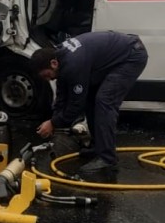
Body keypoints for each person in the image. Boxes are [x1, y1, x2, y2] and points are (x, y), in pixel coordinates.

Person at [33, 31, 149, 181]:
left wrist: (53, 123)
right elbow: (62, 94)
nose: (48, 79)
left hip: (131, 56)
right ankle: (98, 147)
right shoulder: (60, 59)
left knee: (104, 101)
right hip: (121, 53)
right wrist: (54, 118)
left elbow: (76, 105)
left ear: (53, 64)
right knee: (91, 98)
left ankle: (107, 158)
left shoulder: (73, 64)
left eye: (46, 75)